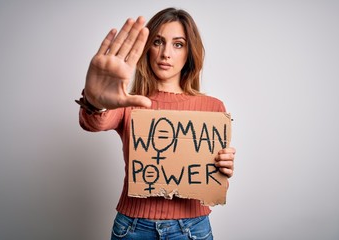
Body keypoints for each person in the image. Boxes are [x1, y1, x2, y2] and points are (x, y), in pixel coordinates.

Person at [76, 7, 236, 240]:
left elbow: (212, 185)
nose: (166, 54)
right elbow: (93, 122)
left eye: (178, 44)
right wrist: (95, 100)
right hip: (133, 227)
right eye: (158, 42)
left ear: (189, 52)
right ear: (147, 48)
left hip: (192, 228)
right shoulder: (127, 103)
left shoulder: (212, 108)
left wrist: (223, 168)